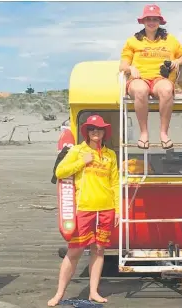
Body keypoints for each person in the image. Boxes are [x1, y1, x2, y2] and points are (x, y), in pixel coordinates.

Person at [47, 115, 119, 307]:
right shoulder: (78, 150)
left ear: (105, 132)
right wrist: (82, 162)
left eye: (100, 129)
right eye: (92, 129)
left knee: (99, 249)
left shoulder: (110, 155)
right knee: (75, 251)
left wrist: (118, 209)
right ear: (87, 132)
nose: (96, 132)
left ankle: (93, 292)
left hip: (106, 209)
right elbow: (60, 172)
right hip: (84, 209)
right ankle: (59, 294)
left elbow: (115, 183)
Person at [119, 4, 182, 149]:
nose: (151, 22)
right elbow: (122, 66)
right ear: (143, 21)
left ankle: (163, 133)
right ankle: (144, 133)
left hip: (160, 79)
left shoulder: (170, 40)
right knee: (140, 91)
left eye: (155, 19)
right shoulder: (133, 41)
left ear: (160, 22)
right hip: (139, 79)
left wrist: (177, 61)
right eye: (148, 19)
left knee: (166, 89)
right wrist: (131, 68)